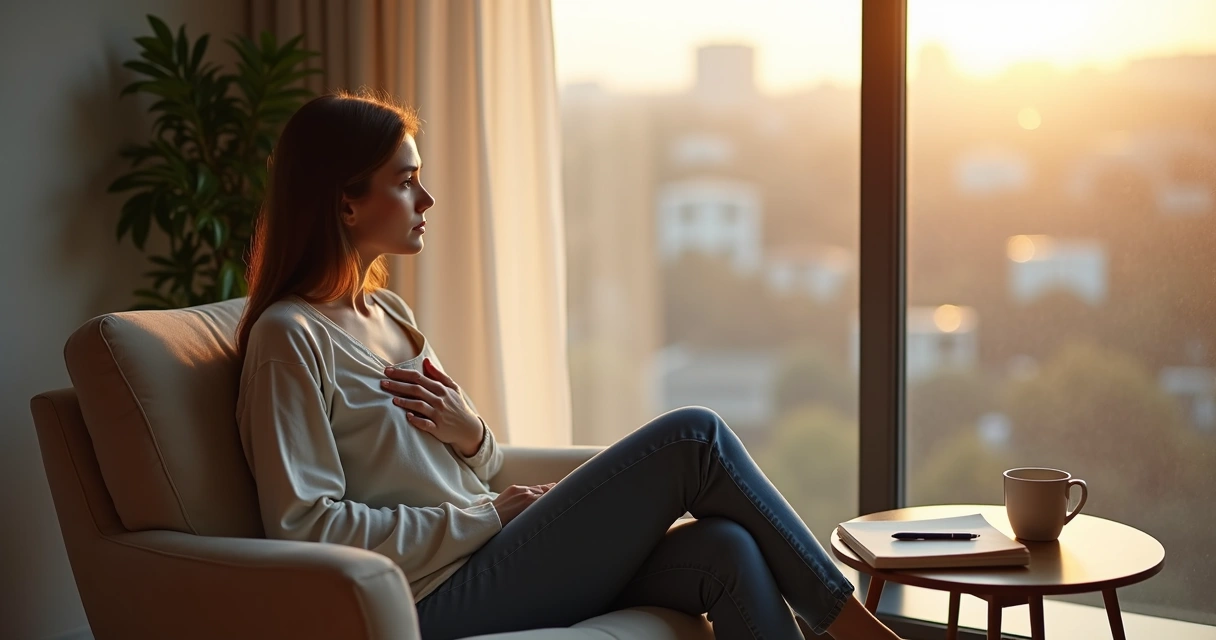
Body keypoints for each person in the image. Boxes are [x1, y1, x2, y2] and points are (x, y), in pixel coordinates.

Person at [235, 90, 902, 640]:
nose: (427, 200)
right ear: (346, 202)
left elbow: (486, 468)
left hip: (494, 553)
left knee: (726, 547)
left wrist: (472, 435)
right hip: (432, 594)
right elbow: (309, 526)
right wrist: (487, 518)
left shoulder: (390, 316)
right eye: (406, 183)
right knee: (693, 438)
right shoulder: (289, 338)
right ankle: (863, 632)